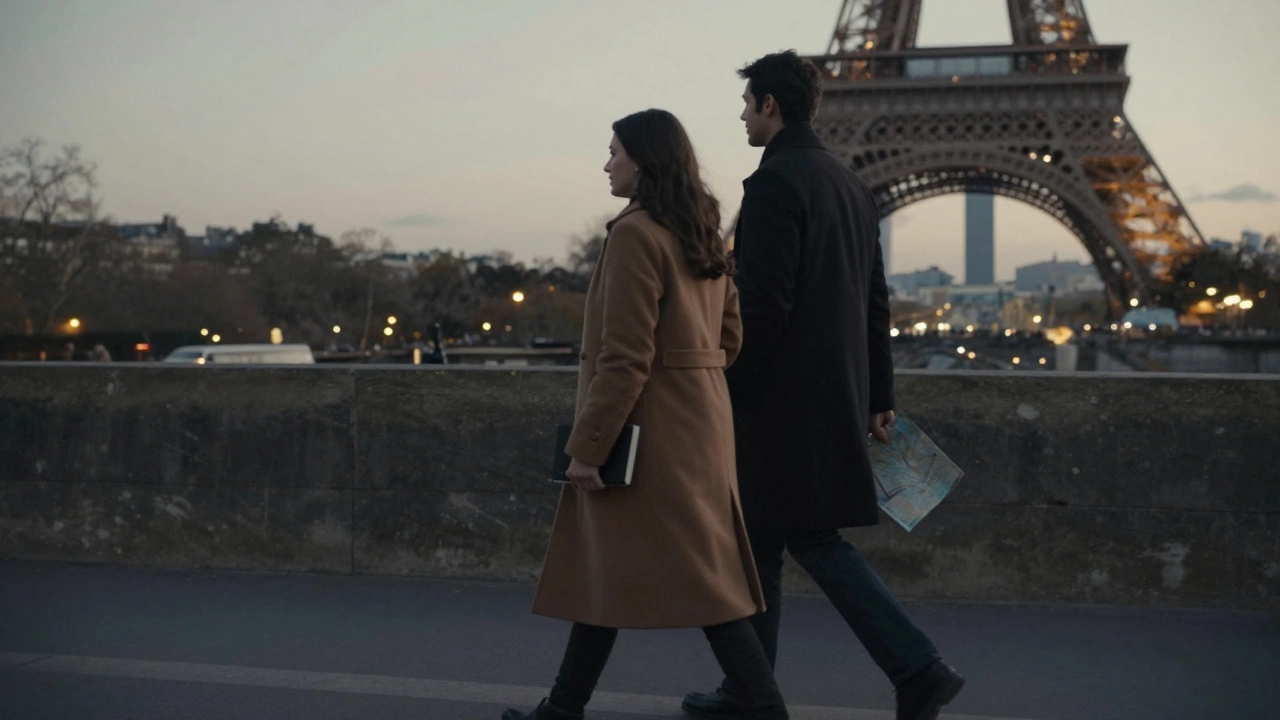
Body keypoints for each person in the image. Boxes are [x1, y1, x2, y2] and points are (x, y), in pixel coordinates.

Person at [681, 51, 964, 720]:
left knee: (806, 540)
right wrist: (879, 395)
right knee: (759, 543)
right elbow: (874, 301)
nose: (741, 116)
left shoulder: (774, 183)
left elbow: (764, 305)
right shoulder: (851, 184)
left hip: (778, 403)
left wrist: (725, 383)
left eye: (746, 103)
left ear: (770, 104)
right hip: (833, 395)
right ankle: (748, 689)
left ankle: (918, 667)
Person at [504, 109, 788, 720]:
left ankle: (768, 710)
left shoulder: (635, 233)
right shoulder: (701, 230)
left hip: (647, 431)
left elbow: (626, 355)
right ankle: (562, 708)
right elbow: (730, 338)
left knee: (699, 583)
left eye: (615, 152)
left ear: (644, 159)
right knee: (620, 568)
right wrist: (690, 373)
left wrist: (589, 447)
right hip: (700, 424)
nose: (606, 164)